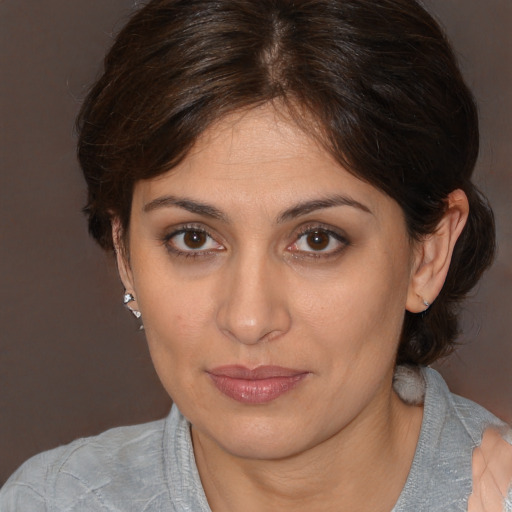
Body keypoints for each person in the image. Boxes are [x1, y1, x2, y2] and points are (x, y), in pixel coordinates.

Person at [1, 0, 511, 510]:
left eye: (317, 240)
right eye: (193, 239)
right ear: (125, 253)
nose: (249, 319)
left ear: (427, 254)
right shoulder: (51, 500)